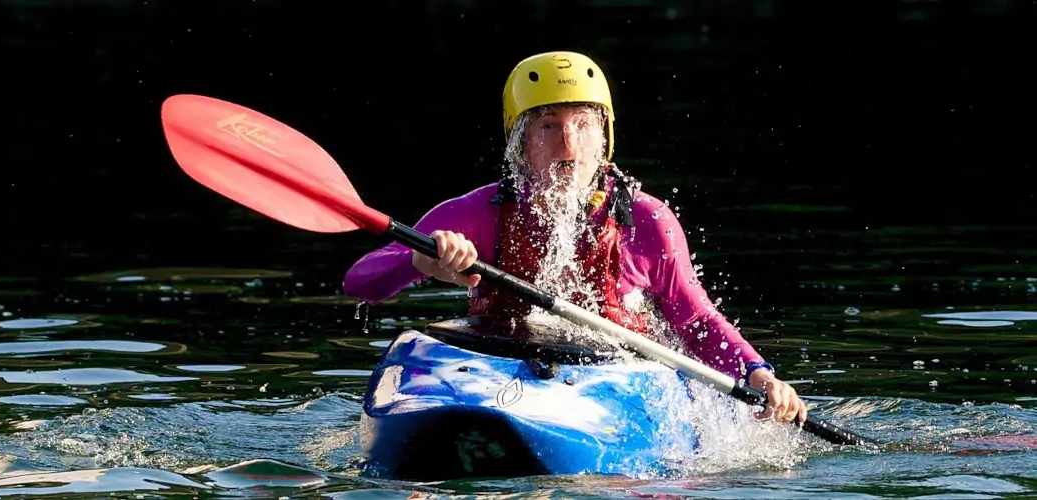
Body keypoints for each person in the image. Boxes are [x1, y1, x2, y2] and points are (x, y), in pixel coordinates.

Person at [342, 51, 807, 424]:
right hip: (498, 368)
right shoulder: (477, 214)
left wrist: (760, 375)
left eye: (583, 125)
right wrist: (421, 263)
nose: (569, 145)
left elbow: (696, 320)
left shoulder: (646, 221)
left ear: (604, 135)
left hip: (617, 377)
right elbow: (360, 283)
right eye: (549, 126)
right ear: (518, 140)